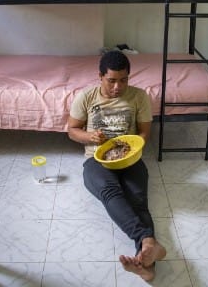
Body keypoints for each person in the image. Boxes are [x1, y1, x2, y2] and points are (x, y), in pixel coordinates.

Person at [67, 50, 166, 281]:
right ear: (100, 76)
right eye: (111, 80)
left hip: (129, 157)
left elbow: (144, 133)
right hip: (96, 160)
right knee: (110, 192)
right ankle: (148, 241)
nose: (117, 87)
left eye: (123, 80)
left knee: (138, 200)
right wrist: (89, 137)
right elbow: (72, 130)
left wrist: (133, 145)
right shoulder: (87, 97)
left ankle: (147, 265)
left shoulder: (139, 96)